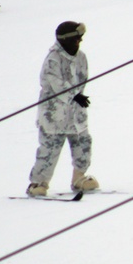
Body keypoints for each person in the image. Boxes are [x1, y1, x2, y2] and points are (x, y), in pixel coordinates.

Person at [27, 21, 100, 197]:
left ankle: (79, 177)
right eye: (76, 38)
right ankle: (38, 182)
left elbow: (82, 79)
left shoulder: (81, 57)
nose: (79, 41)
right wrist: (74, 95)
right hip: (54, 115)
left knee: (83, 144)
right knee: (49, 149)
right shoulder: (53, 59)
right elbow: (55, 84)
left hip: (76, 114)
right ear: (65, 40)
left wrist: (79, 96)